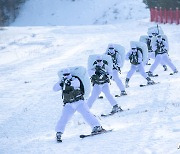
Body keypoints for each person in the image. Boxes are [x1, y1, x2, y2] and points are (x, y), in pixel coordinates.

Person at [53, 68, 104, 142]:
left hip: (79, 102)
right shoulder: (62, 82)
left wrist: (67, 82)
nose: (66, 76)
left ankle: (97, 126)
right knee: (64, 117)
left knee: (86, 114)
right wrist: (61, 82)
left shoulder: (75, 79)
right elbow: (54, 89)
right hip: (68, 104)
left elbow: (75, 85)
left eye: (67, 74)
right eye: (64, 75)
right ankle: (59, 132)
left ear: (70, 74)